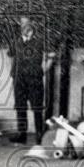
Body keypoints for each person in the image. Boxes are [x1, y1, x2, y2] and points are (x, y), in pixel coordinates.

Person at [8, 14, 55, 144]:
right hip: (19, 80)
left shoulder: (41, 40)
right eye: (21, 24)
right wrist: (13, 72)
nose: (23, 26)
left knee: (37, 108)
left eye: (26, 23)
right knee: (20, 107)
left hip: (35, 79)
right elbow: (10, 57)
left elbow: (51, 57)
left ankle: (40, 136)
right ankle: (22, 134)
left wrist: (42, 70)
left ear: (31, 24)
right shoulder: (16, 41)